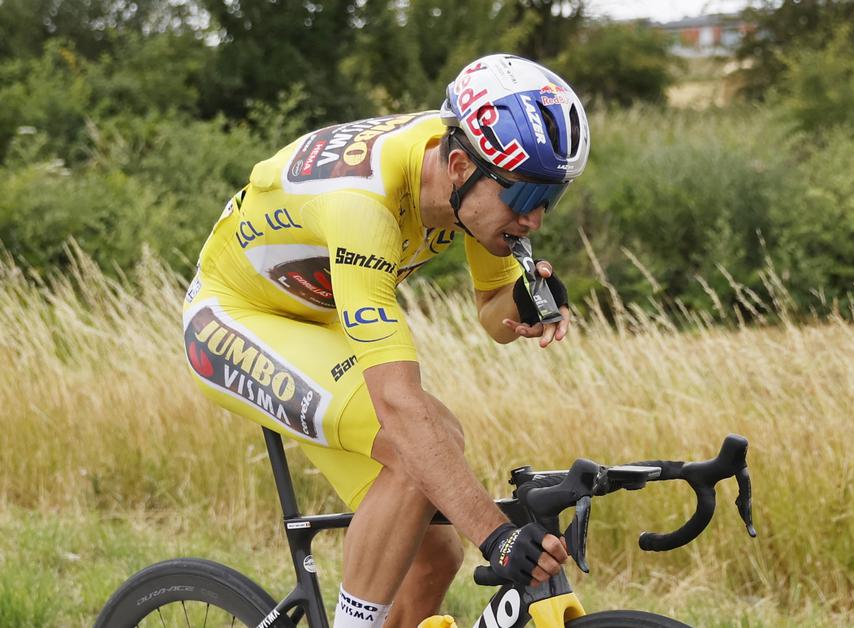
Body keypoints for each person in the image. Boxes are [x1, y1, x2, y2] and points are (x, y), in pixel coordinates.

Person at [181, 53, 590, 628]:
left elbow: (493, 313)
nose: (535, 220)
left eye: (550, 199)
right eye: (524, 200)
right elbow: (399, 409)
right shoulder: (364, 206)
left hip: (320, 318)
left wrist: (522, 303)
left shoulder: (467, 176)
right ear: (458, 166)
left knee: (433, 554)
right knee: (421, 438)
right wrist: (497, 537)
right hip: (234, 318)